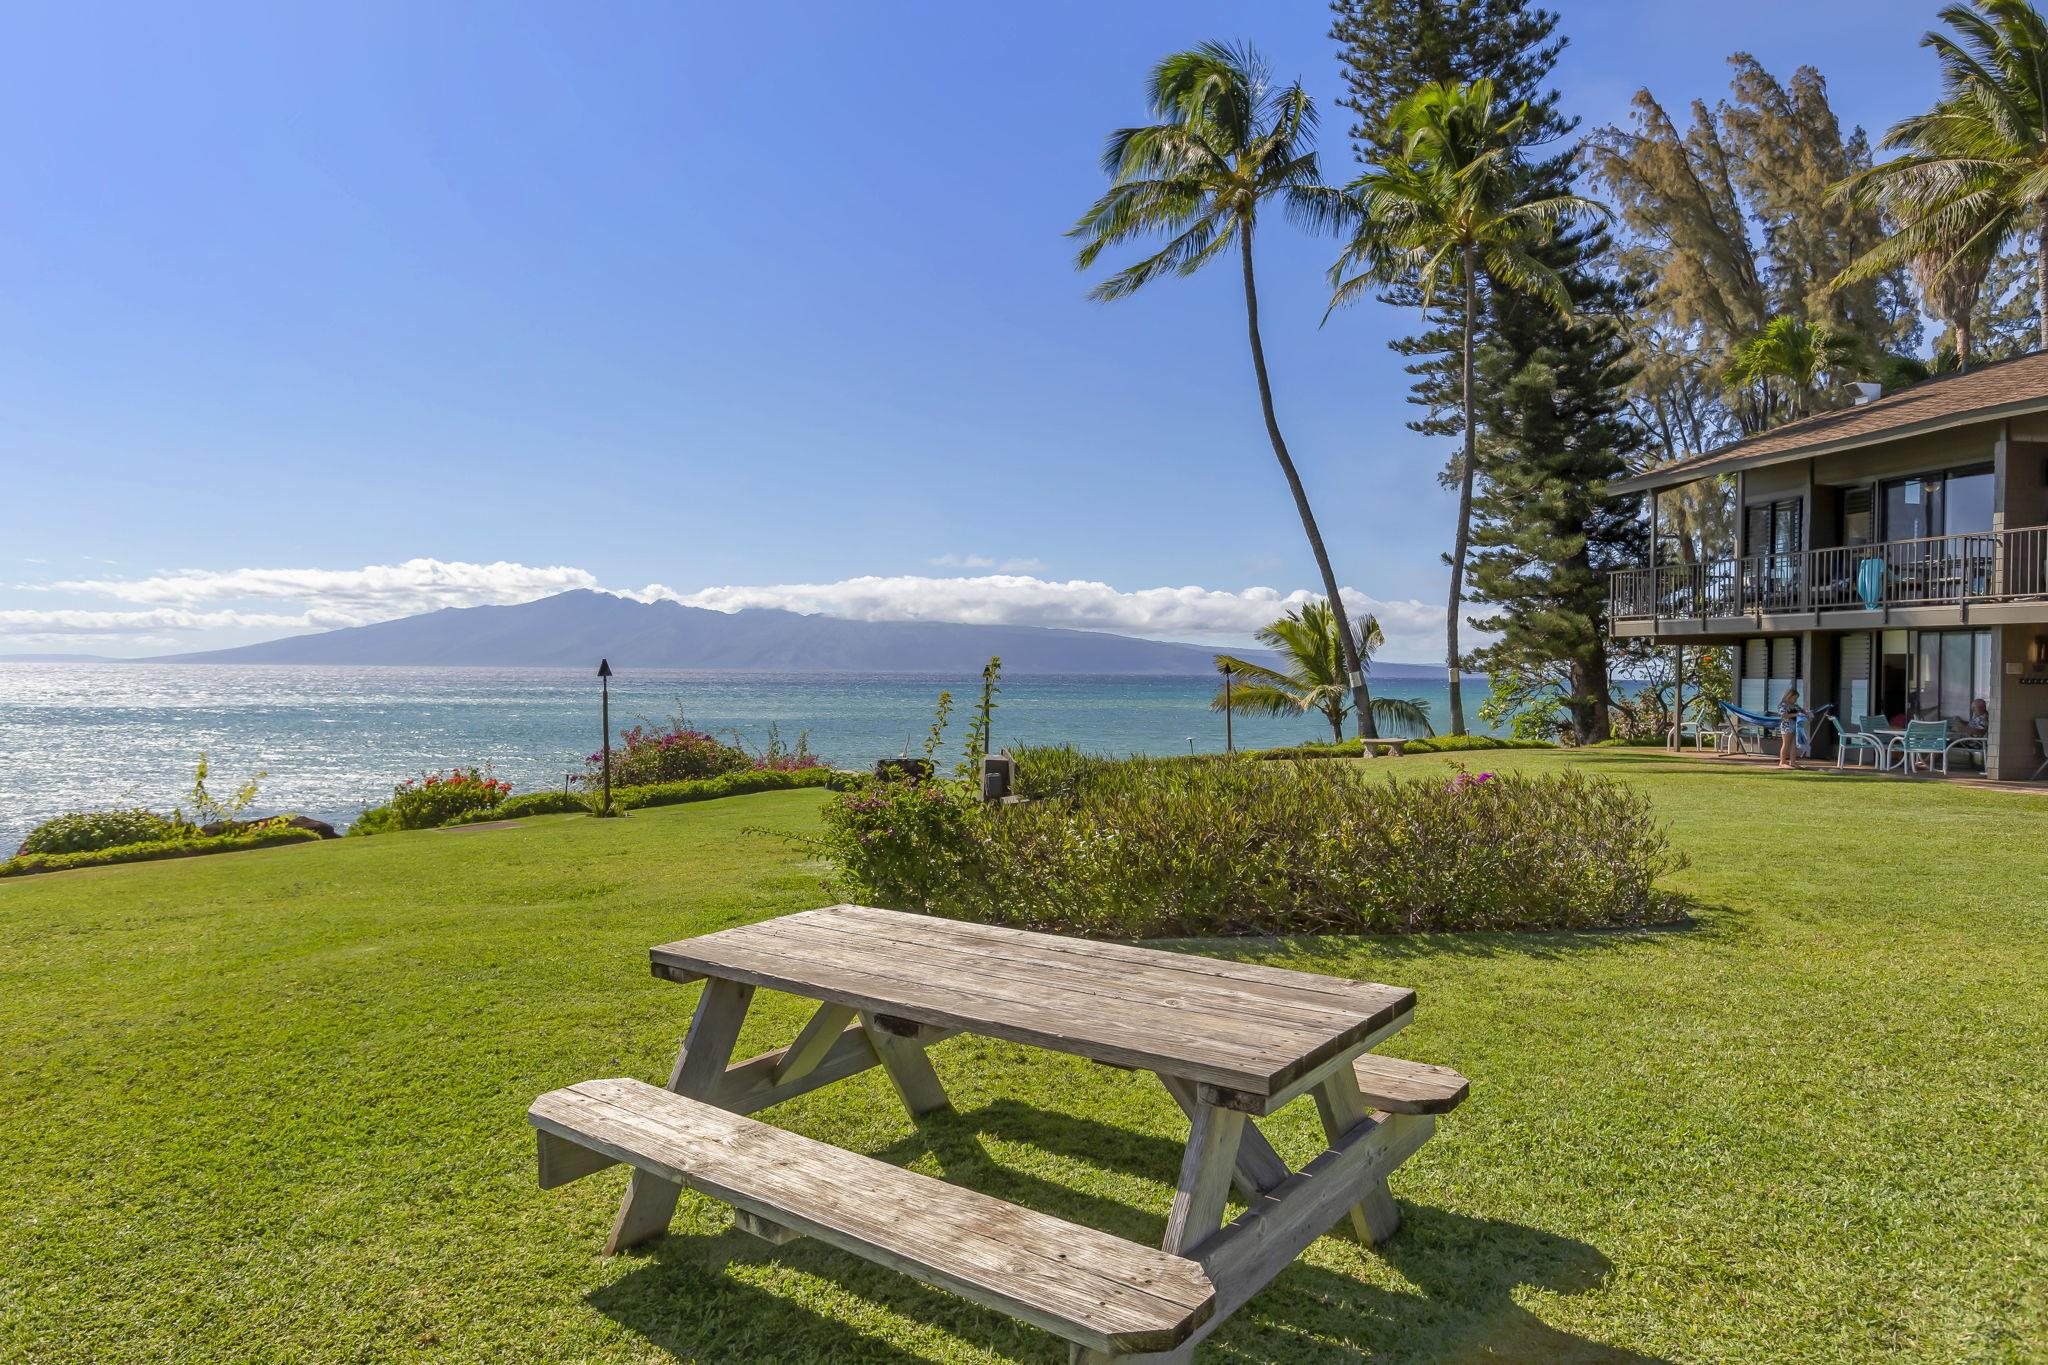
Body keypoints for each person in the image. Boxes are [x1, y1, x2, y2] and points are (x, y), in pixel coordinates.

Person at [1777, 684, 1809, 770]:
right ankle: (1782, 762)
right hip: (1786, 726)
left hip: (1795, 726)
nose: (1795, 700)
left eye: (1796, 698)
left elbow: (1801, 711)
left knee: (1793, 745)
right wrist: (1796, 714)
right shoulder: (1783, 705)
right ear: (1789, 696)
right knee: (1786, 744)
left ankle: (1793, 762)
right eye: (1794, 698)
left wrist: (1806, 713)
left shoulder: (1795, 705)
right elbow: (1783, 715)